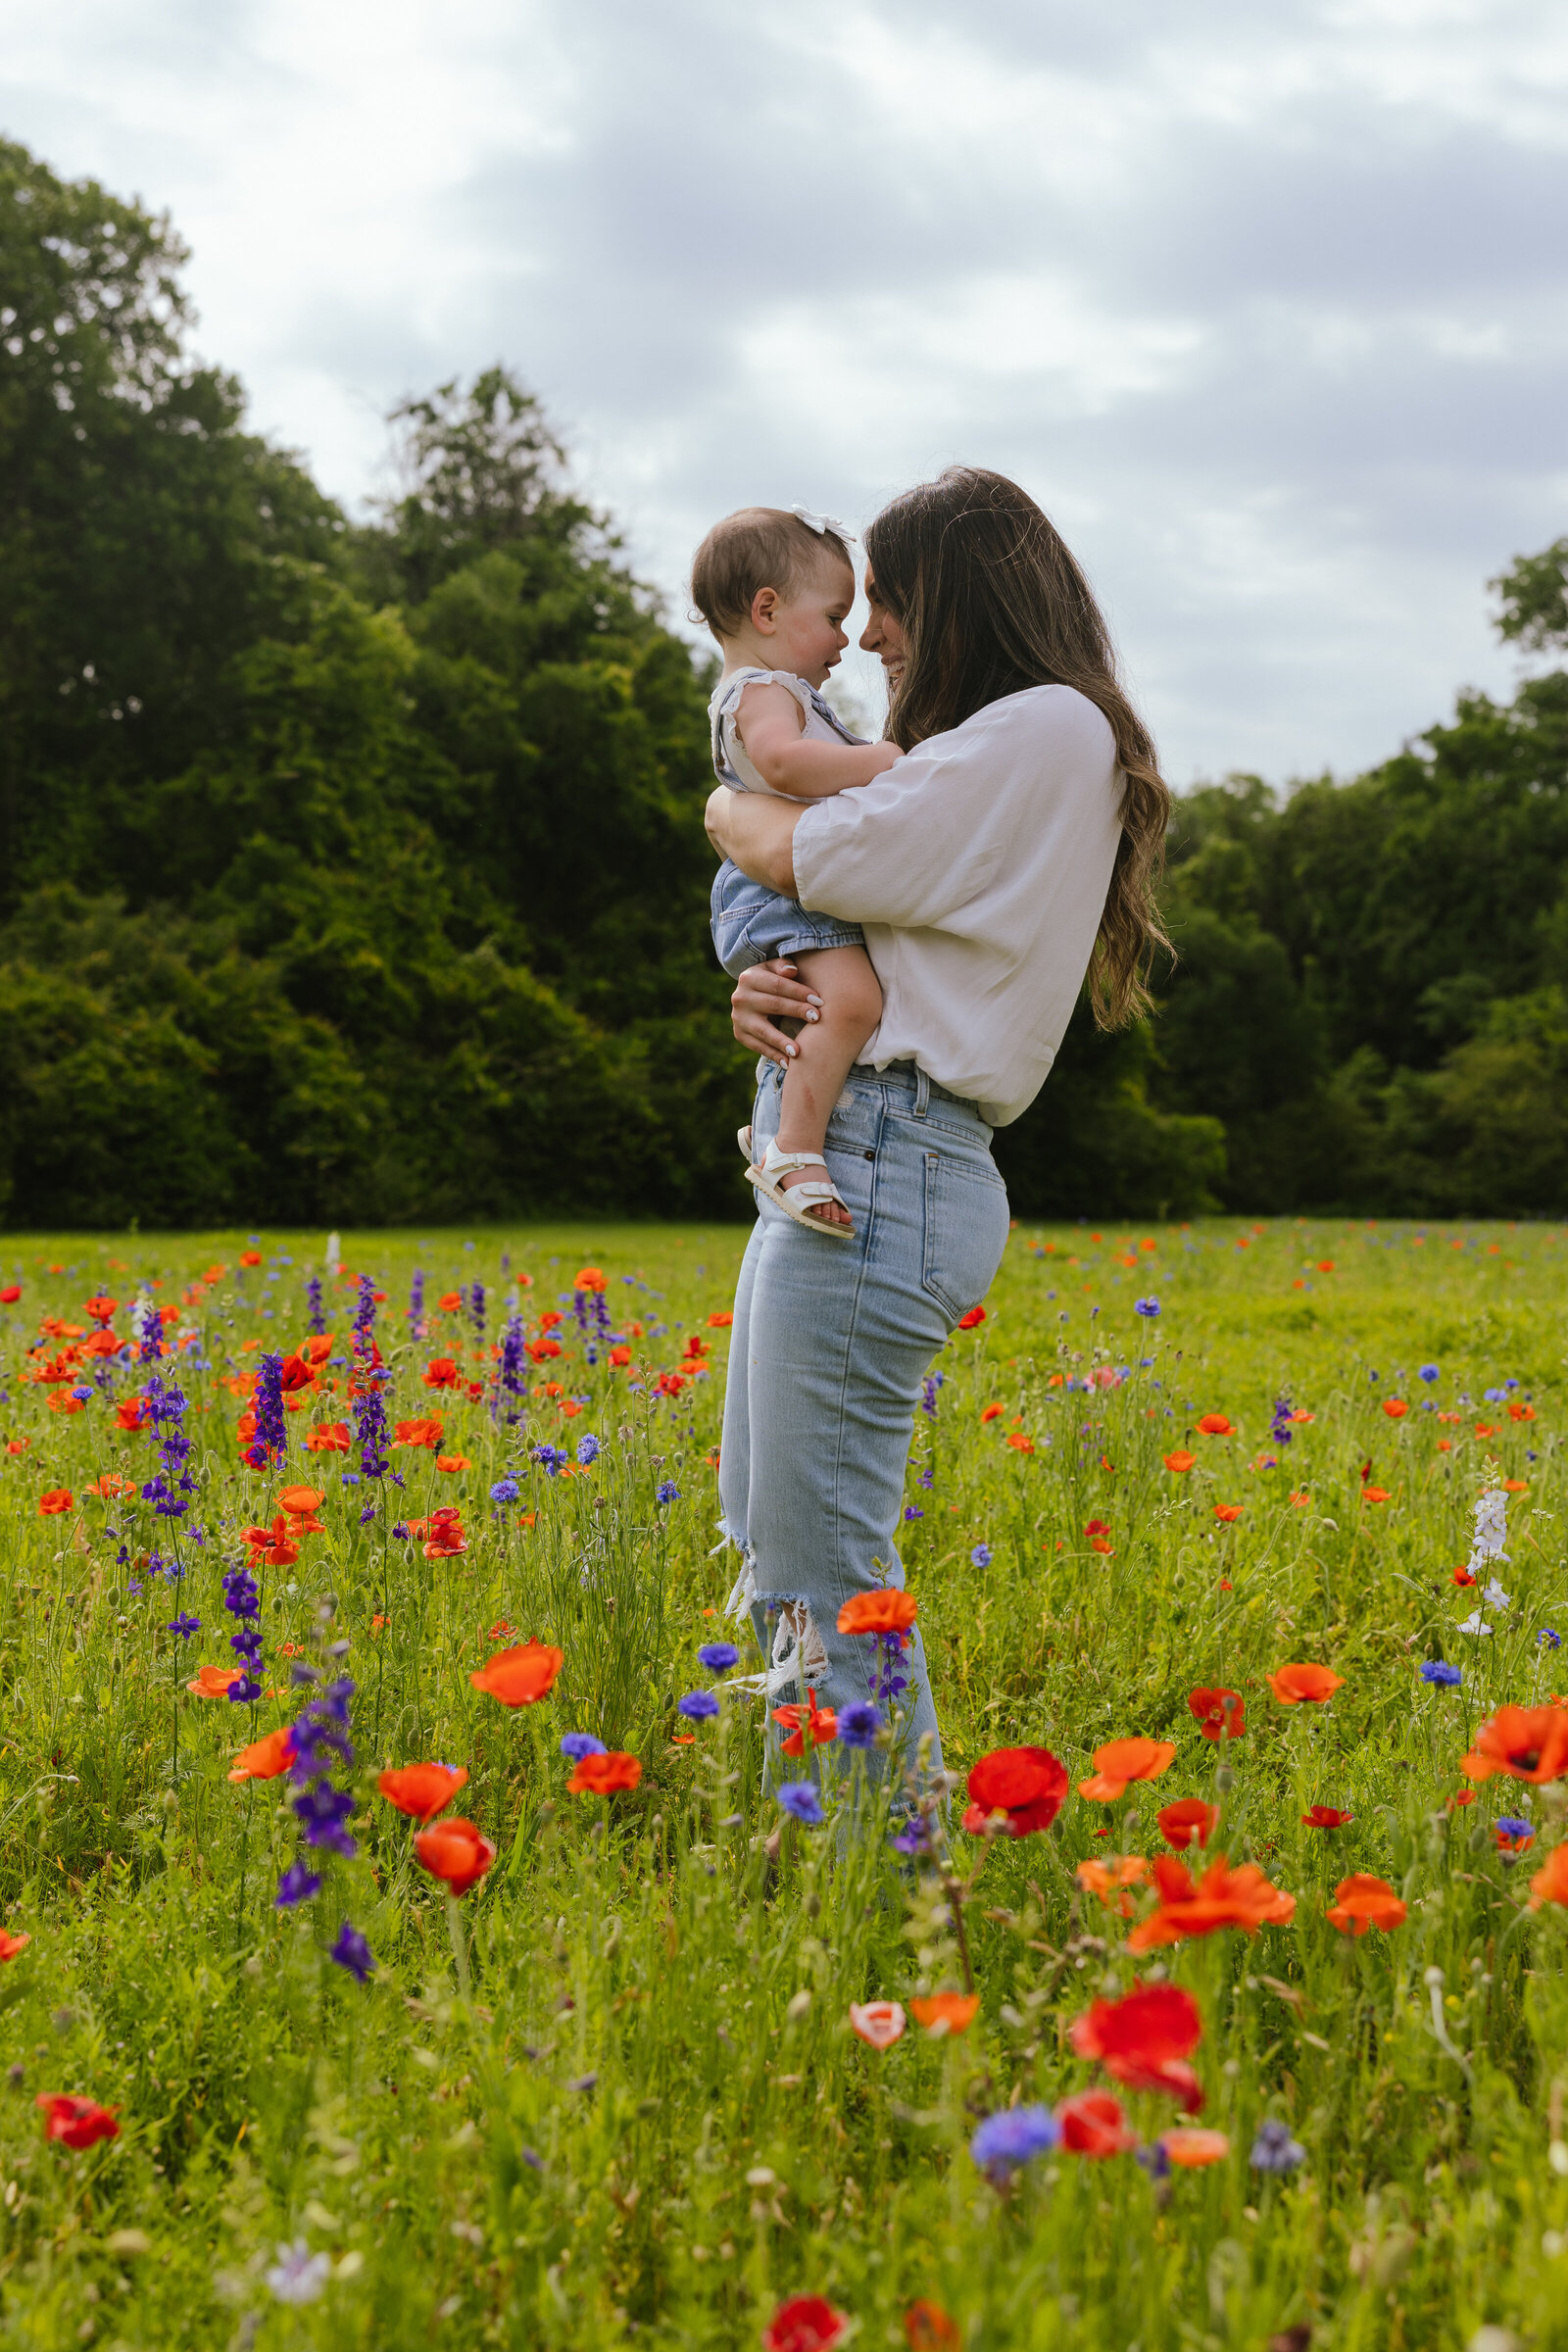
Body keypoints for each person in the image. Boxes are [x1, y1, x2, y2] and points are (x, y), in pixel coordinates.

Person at [707, 466, 1171, 1780]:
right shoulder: (1006, 744)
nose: (867, 637)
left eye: (891, 602)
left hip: (886, 1161)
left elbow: (809, 852)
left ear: (958, 597)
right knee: (772, 1536)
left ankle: (891, 1896)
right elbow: (856, 899)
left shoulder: (1042, 729)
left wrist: (723, 808)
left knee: (823, 1565)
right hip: (854, 1149)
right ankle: (818, 1842)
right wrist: (777, 992)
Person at [692, 505, 901, 1235]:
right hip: (776, 890)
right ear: (768, 609)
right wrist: (881, 760)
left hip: (772, 887)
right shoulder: (764, 692)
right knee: (849, 1006)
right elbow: (783, 763)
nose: (847, 639)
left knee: (822, 1011)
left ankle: (776, 1124)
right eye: (836, 616)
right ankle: (797, 1150)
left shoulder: (769, 689)